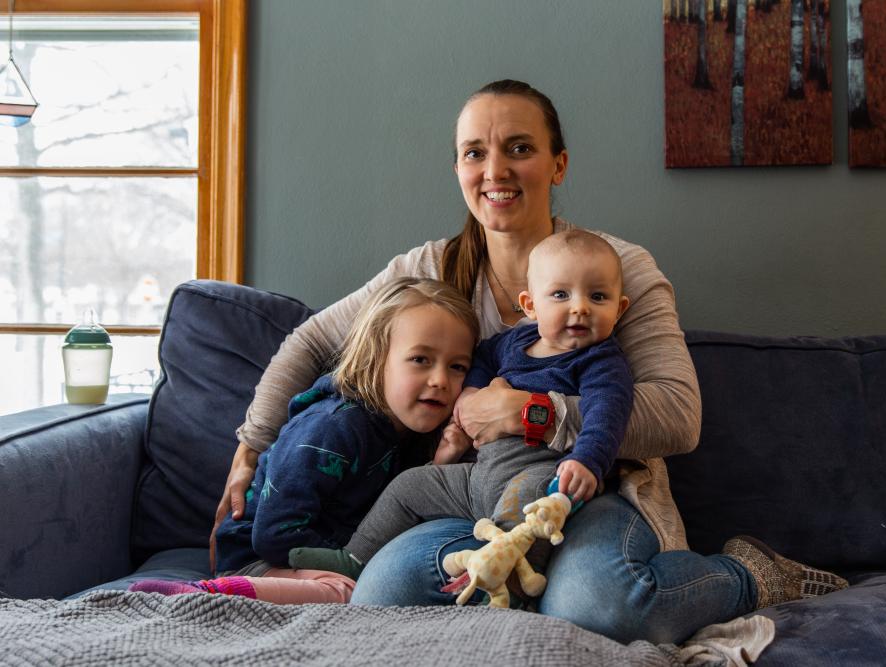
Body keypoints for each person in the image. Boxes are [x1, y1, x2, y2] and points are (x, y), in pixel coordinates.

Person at [214, 79, 846, 643]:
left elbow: (678, 416)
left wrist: (530, 414)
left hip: (591, 489)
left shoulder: (616, 270)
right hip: (471, 496)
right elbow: (309, 343)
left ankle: (750, 575)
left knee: (600, 606)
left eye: (520, 147)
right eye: (475, 152)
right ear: (459, 167)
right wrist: (251, 450)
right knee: (382, 597)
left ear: (558, 163)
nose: (496, 169)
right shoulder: (430, 271)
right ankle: (511, 582)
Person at [287, 230, 634, 580]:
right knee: (410, 486)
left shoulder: (600, 361)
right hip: (478, 476)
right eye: (560, 295)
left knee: (527, 508)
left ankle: (509, 580)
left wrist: (587, 461)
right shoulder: (516, 340)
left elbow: (607, 414)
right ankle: (355, 558)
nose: (579, 307)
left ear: (619, 309)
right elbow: (481, 358)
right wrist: (469, 396)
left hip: (539, 471)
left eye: (598, 297)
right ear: (530, 305)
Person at [129, 277, 478, 604]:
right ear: (377, 357)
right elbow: (273, 534)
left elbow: (396, 511)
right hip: (258, 560)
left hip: (317, 557)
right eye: (420, 359)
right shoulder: (332, 427)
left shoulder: (408, 433)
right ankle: (200, 594)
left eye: (457, 367)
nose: (440, 380)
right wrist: (354, 563)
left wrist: (442, 461)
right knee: (346, 590)